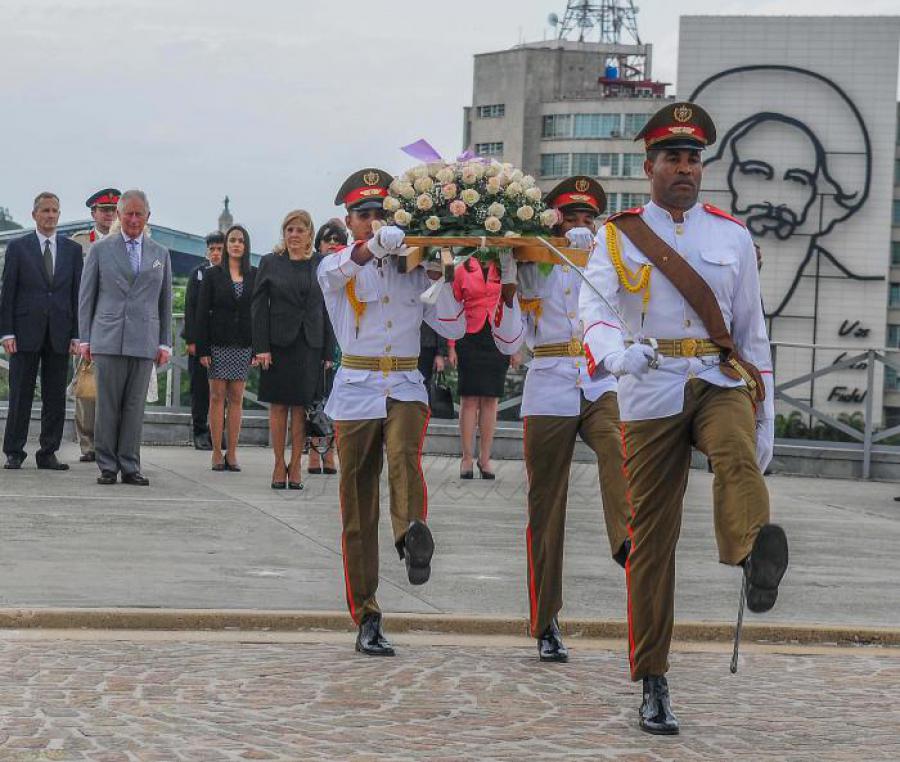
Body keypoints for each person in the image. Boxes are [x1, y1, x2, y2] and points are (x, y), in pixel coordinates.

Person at [579, 102, 788, 735]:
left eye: (693, 158)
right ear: (649, 167)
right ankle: (652, 678)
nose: (685, 168)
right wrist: (616, 355)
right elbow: (593, 308)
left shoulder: (731, 236)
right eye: (672, 158)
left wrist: (766, 413)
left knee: (736, 451)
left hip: (717, 376)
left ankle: (752, 554)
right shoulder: (617, 236)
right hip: (650, 385)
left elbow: (752, 329)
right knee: (651, 540)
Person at [318, 168, 465, 656]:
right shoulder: (337, 264)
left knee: (404, 454)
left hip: (403, 383)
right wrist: (373, 247)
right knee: (358, 505)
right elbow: (341, 268)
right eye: (363, 214)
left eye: (380, 213)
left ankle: (410, 535)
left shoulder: (414, 267)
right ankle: (367, 613)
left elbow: (454, 328)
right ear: (348, 221)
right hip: (357, 388)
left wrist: (443, 277)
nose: (373, 220)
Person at [490, 176, 630, 663]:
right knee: (545, 508)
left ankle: (626, 541)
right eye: (571, 217)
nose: (579, 225)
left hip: (596, 378)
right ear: (553, 221)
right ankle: (546, 619)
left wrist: (597, 257)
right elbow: (509, 343)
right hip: (549, 380)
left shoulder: (607, 262)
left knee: (619, 449)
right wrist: (509, 286)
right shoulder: (532, 263)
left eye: (588, 218)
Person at [78, 189, 172, 486]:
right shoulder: (100, 249)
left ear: (147, 216)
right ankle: (107, 465)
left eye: (138, 214)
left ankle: (130, 465)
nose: (133, 219)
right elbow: (87, 297)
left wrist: (165, 342)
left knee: (134, 407)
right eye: (128, 213)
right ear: (119, 215)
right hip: (108, 338)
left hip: (144, 340)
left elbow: (165, 301)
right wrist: (85, 339)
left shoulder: (160, 253)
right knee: (107, 406)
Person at [1, 192, 83, 470]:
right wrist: (6, 332)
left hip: (60, 332)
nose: (50, 215)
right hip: (24, 332)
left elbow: (76, 295)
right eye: (45, 210)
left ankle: (48, 452)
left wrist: (76, 334)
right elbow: (7, 292)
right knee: (20, 395)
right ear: (34, 214)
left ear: (59, 214)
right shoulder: (18, 247)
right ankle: (14, 451)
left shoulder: (72, 250)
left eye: (54, 210)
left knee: (55, 397)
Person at [253, 210, 333, 489]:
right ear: (283, 234)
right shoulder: (270, 262)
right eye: (289, 230)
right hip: (277, 344)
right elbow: (258, 308)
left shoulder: (320, 263)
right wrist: (261, 347)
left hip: (310, 344)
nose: (294, 235)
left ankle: (296, 464)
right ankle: (278, 463)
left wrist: (328, 351)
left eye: (300, 230)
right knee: (278, 406)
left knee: (301, 408)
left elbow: (327, 308)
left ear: (310, 234)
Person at [448, 256, 518, 479]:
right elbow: (452, 307)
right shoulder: (462, 267)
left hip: (497, 336)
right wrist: (451, 346)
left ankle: (485, 458)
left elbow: (514, 305)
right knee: (469, 399)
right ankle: (467, 458)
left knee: (491, 399)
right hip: (468, 336)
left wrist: (514, 345)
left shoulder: (505, 266)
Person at [196, 224, 256, 473]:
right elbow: (202, 313)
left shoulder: (254, 274)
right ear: (226, 244)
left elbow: (258, 313)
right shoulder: (212, 275)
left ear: (246, 245)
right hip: (217, 343)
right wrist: (203, 349)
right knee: (217, 396)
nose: (236, 244)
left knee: (237, 398)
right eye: (232, 240)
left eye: (241, 241)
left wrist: (257, 348)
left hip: (243, 344)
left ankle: (232, 453)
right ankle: (216, 452)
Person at [70, 188, 121, 462]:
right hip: (86, 324)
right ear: (93, 213)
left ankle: (110, 443)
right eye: (104, 210)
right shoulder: (79, 243)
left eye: (113, 210)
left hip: (116, 325)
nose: (109, 215)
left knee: (114, 388)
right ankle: (88, 444)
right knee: (86, 389)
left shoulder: (126, 241)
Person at [307, 219, 347, 475]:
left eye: (337, 240)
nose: (332, 244)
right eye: (327, 239)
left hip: (342, 342)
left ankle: (330, 452)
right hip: (315, 339)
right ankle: (313, 451)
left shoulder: (349, 267)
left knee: (336, 400)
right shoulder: (312, 268)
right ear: (318, 243)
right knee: (315, 400)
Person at [182, 231, 225, 450]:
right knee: (200, 388)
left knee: (222, 390)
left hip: (223, 339)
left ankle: (218, 431)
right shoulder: (198, 273)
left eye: (219, 249)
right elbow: (190, 307)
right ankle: (199, 431)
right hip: (201, 339)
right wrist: (191, 340)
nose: (216, 253)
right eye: (212, 249)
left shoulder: (232, 273)